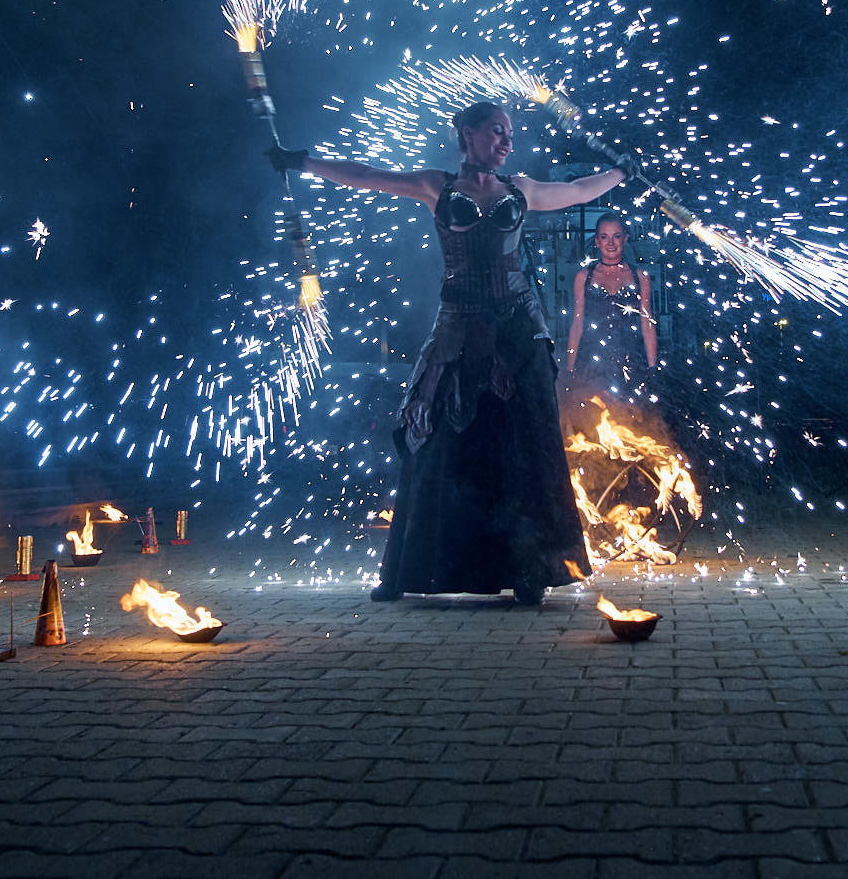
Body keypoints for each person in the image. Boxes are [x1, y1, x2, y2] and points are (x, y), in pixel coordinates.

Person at [267, 101, 632, 605]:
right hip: (459, 325)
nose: (506, 142)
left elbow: (573, 192)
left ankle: (529, 568)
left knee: (522, 444)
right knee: (436, 436)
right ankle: (408, 571)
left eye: (510, 134)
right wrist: (303, 162)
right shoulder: (436, 186)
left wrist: (620, 172)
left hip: (517, 327)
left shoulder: (519, 189)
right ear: (467, 134)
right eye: (497, 132)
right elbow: (368, 176)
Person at [566, 212, 657, 393]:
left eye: (616, 236)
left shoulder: (640, 277)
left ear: (625, 239)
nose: (610, 243)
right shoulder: (584, 277)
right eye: (604, 237)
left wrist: (653, 367)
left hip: (630, 357)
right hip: (593, 359)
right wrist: (570, 367)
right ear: (597, 242)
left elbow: (647, 324)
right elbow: (577, 324)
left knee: (633, 416)